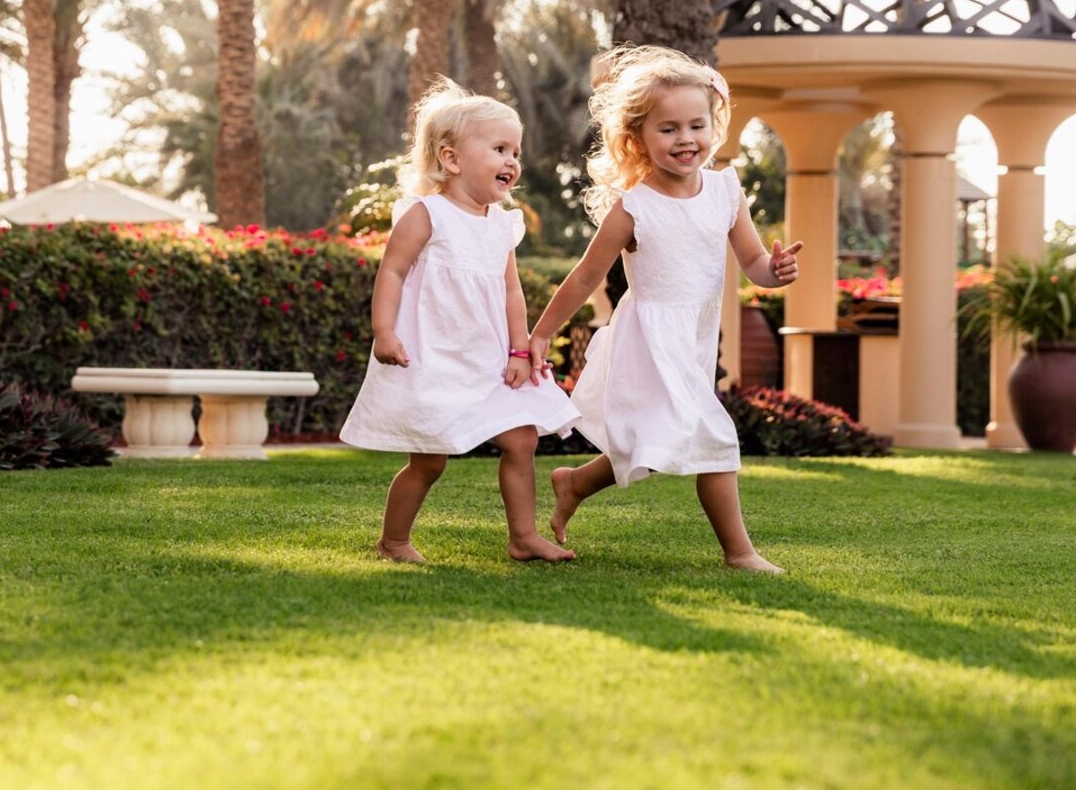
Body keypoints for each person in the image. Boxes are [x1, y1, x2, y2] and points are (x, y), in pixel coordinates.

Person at [526, 45, 801, 573]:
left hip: (694, 338)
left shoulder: (725, 191)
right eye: (668, 129)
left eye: (696, 125)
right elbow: (584, 276)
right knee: (713, 437)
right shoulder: (634, 207)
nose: (686, 139)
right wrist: (541, 335)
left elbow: (753, 263)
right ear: (637, 139)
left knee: (655, 442)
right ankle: (740, 553)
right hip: (649, 340)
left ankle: (575, 483)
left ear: (713, 125)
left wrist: (776, 270)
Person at [341, 79, 580, 563]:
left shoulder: (502, 225)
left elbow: (511, 293)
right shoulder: (427, 214)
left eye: (516, 151)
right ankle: (393, 540)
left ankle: (523, 537)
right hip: (434, 356)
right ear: (451, 160)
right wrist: (384, 331)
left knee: (522, 437)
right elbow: (392, 272)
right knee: (429, 460)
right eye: (499, 149)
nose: (512, 161)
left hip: (488, 358)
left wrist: (519, 350)